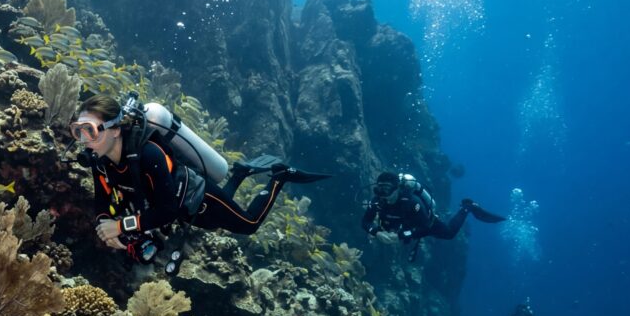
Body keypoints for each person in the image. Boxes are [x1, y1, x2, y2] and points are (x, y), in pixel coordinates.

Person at [71, 94, 328, 262]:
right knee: (213, 226)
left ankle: (280, 176)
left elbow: (167, 210)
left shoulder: (148, 154)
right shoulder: (99, 160)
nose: (84, 141)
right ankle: (239, 173)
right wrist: (104, 224)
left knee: (248, 225)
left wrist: (119, 227)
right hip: (185, 211)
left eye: (90, 131)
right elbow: (102, 199)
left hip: (200, 198)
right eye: (78, 131)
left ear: (115, 129)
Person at [361, 172, 505, 247]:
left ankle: (466, 207)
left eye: (387, 189)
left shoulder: (412, 202)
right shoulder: (378, 201)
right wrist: (376, 232)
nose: (383, 194)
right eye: (380, 189)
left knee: (449, 234)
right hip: (397, 224)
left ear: (397, 188)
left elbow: (425, 227)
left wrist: (402, 236)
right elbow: (365, 221)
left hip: (421, 222)